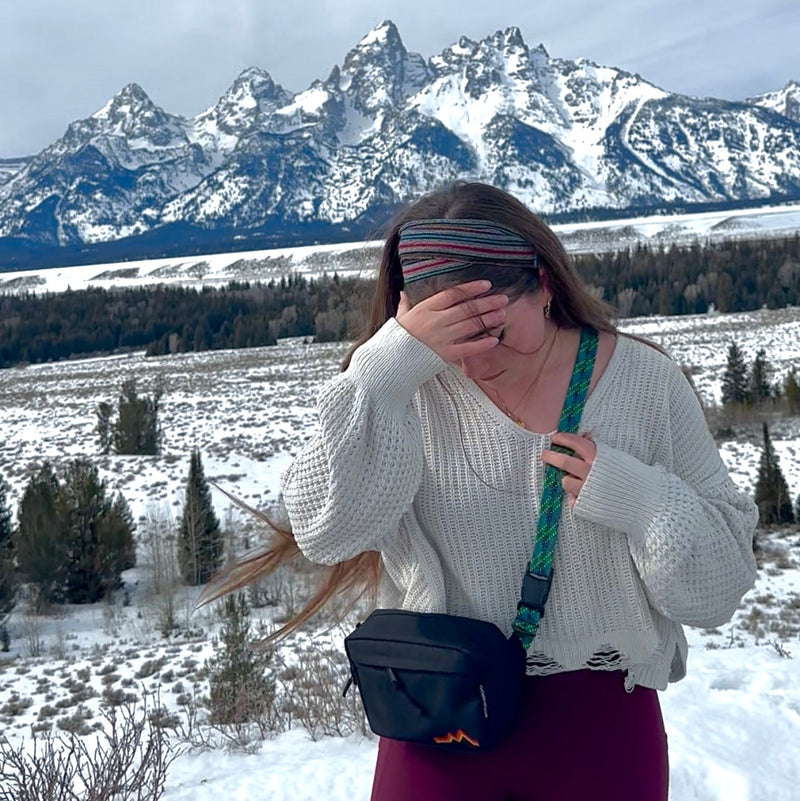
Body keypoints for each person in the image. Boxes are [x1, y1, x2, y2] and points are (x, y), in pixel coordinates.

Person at [206, 181, 758, 801]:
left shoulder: (644, 384)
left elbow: (721, 584)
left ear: (544, 282)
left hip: (598, 728)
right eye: (448, 340)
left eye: (493, 332)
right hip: (439, 720)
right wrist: (383, 372)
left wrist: (642, 499)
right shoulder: (399, 390)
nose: (472, 363)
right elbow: (326, 533)